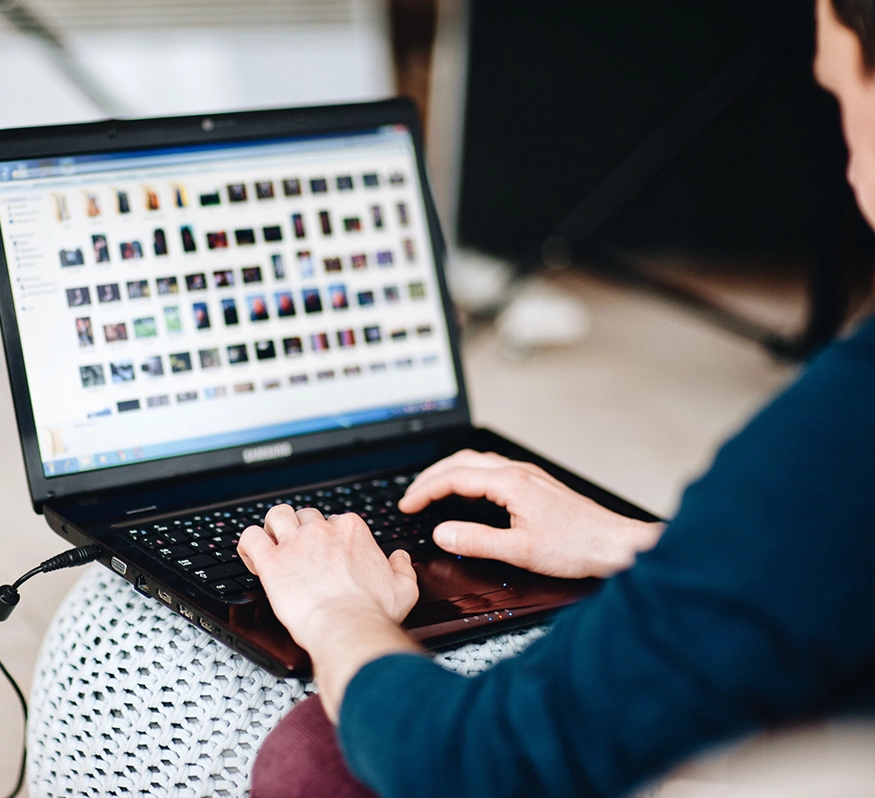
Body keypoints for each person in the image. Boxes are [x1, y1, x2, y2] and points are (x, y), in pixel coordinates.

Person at [238, 1, 875, 795]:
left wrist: (337, 614)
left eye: (838, 93)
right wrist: (643, 546)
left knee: (314, 753)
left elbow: (479, 764)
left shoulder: (842, 422)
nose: (846, 157)